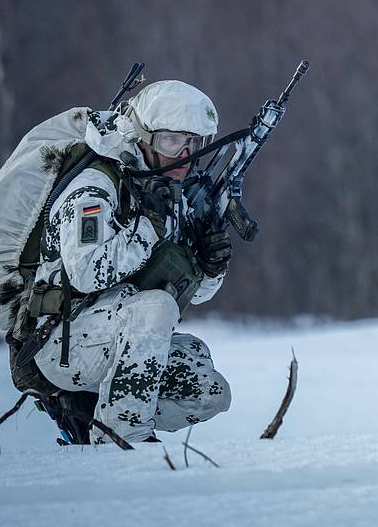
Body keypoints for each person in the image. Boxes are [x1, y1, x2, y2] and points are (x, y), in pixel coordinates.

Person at [28, 80, 233, 444]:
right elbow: (86, 272)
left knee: (208, 390)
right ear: (143, 137)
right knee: (155, 308)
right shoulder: (94, 188)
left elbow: (192, 294)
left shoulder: (163, 189)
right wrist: (147, 230)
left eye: (193, 143)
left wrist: (210, 266)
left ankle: (88, 415)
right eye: (172, 141)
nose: (183, 153)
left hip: (111, 335)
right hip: (60, 343)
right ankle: (123, 438)